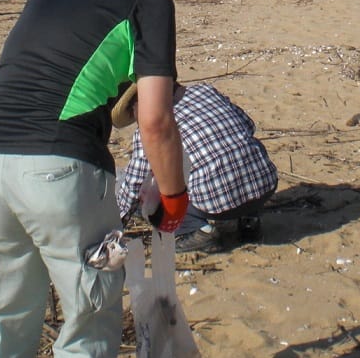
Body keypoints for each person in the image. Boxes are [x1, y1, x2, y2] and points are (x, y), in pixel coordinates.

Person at [0, 0, 187, 358]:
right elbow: (156, 119)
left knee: (2, 319)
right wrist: (173, 197)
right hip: (61, 170)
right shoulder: (150, 1)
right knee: (88, 323)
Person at [115, 81, 278, 253]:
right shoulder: (205, 90)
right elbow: (248, 125)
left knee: (154, 196)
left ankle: (201, 231)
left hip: (218, 201)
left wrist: (117, 222)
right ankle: (249, 220)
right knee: (239, 161)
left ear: (140, 102)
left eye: (132, 112)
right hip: (264, 184)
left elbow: (135, 182)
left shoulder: (151, 130)